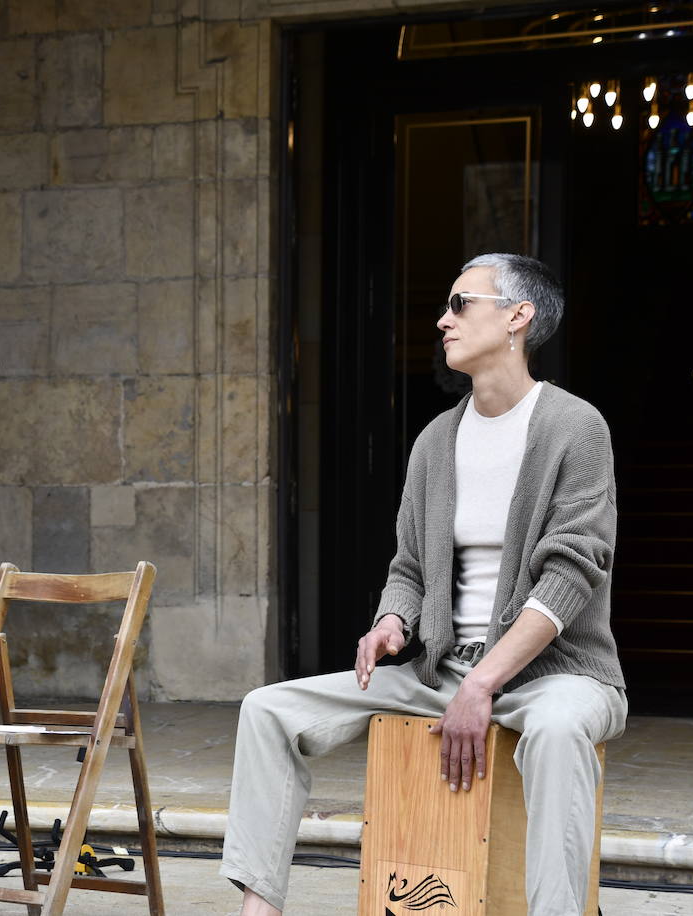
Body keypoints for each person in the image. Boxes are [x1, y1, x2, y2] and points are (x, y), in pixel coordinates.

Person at [221, 254, 627, 916]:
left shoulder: (574, 428)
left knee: (556, 732)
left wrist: (484, 682)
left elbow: (570, 575)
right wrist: (392, 624)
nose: (443, 320)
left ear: (518, 317)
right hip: (441, 672)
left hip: (562, 677)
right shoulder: (437, 440)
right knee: (268, 710)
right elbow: (409, 565)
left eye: (461, 303)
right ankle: (258, 910)